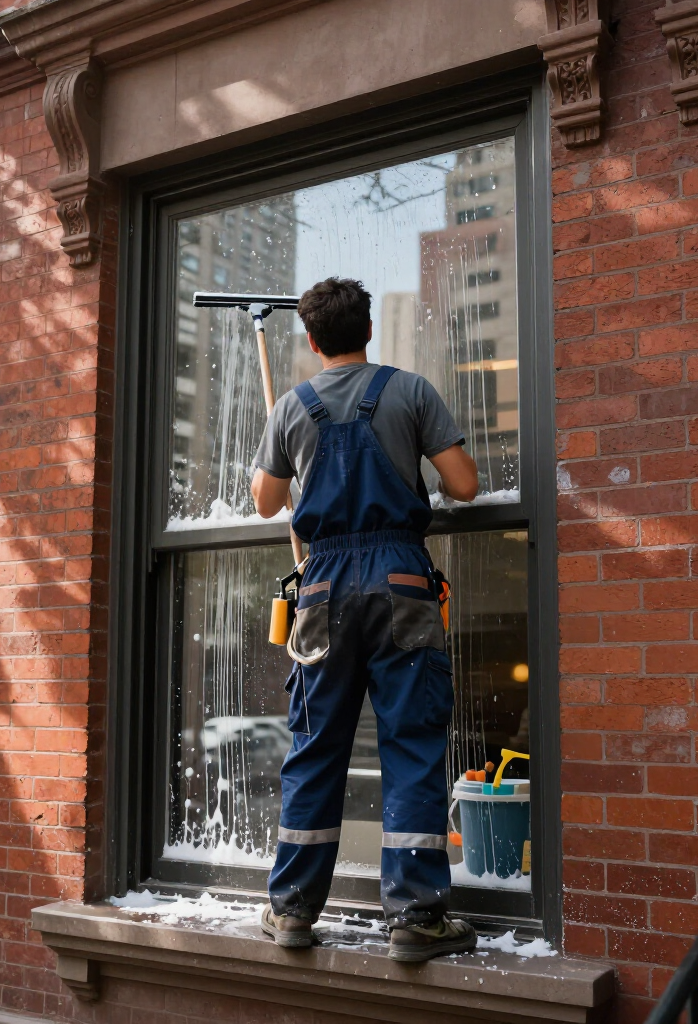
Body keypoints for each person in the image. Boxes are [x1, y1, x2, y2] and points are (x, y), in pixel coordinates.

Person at [250, 277, 479, 962]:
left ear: (314, 341)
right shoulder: (409, 392)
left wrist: (290, 457)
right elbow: (463, 484)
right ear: (369, 331)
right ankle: (415, 917)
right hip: (402, 580)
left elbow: (265, 503)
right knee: (410, 743)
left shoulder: (292, 407)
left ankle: (291, 912)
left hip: (322, 590)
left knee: (316, 747)